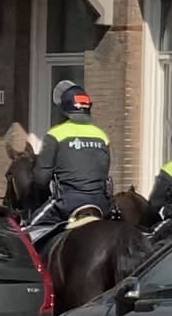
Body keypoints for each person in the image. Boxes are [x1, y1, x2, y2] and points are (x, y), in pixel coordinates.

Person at [30, 81, 113, 242]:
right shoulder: (102, 136)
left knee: (27, 234)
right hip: (101, 204)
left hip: (67, 203)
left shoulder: (55, 134)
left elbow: (41, 179)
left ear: (64, 110)